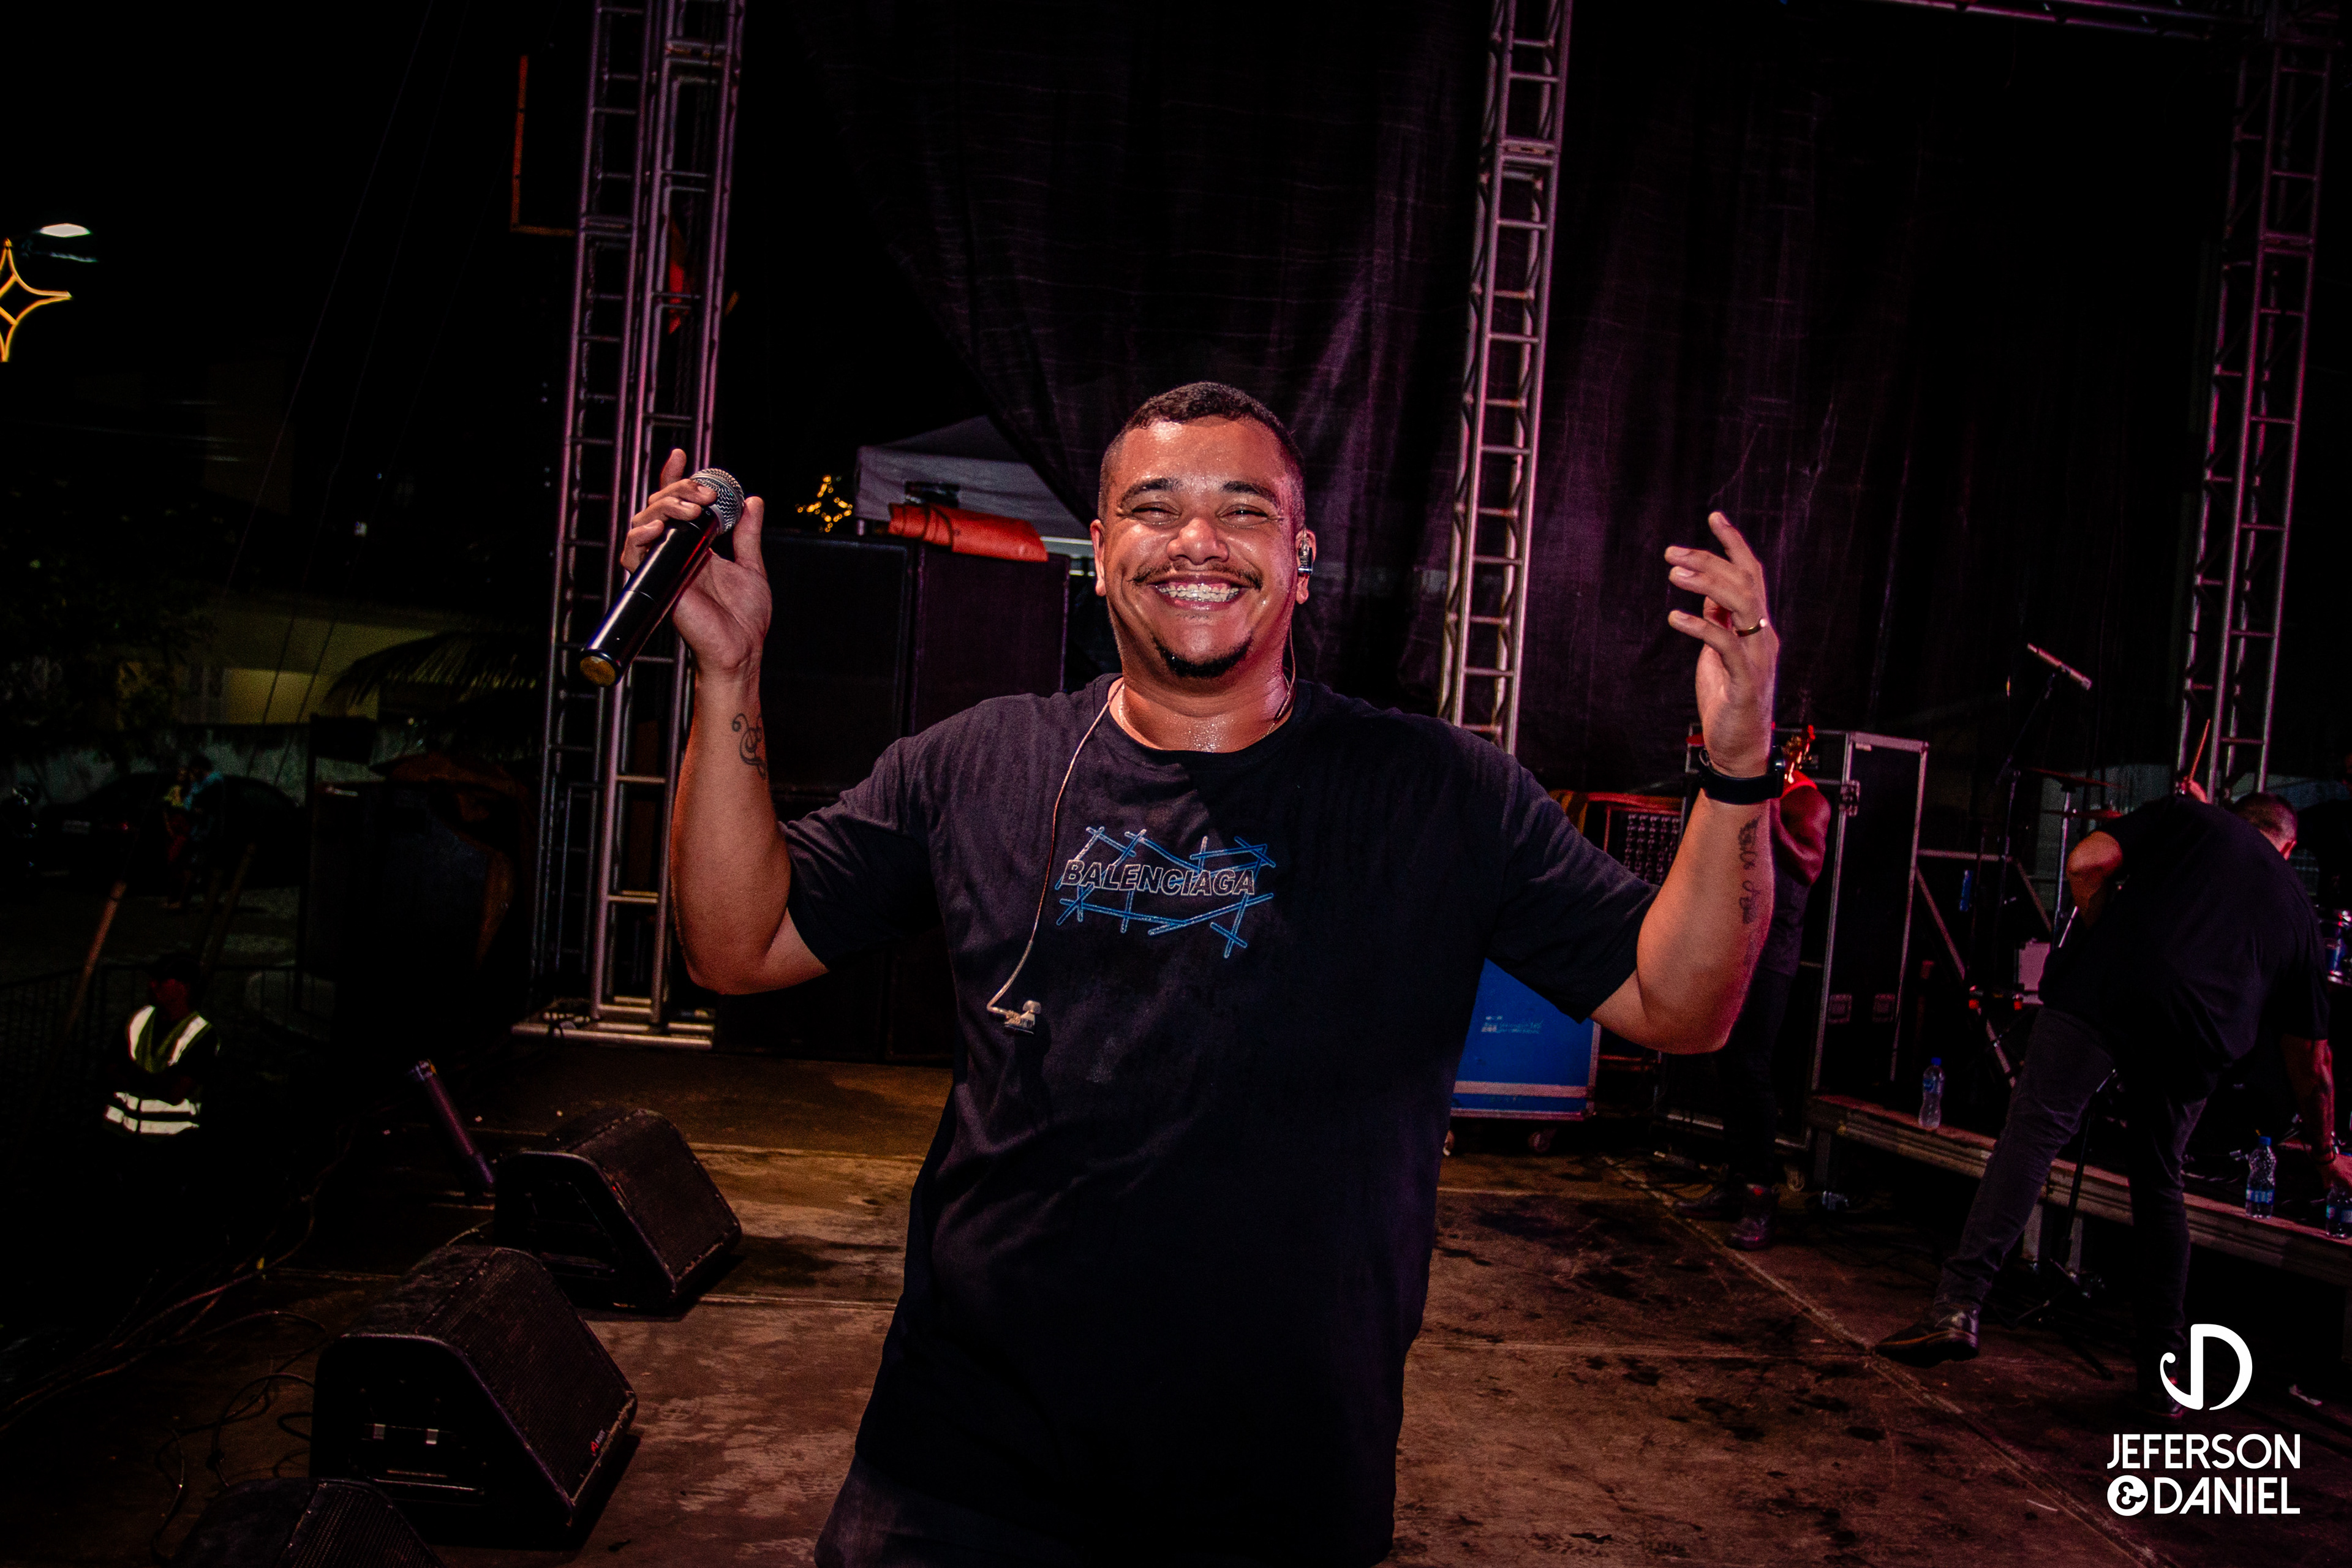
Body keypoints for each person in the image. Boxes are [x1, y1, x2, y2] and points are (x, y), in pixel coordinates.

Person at [635, 383, 1786, 1566]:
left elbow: (1681, 1006)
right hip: (963, 1467)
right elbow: (736, 946)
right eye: (1155, 508)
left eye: (1243, 510)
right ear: (1099, 554)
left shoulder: (1441, 792)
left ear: (1302, 560)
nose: (1197, 540)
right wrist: (729, 673)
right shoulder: (977, 762)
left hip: (1278, 1487)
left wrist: (1739, 766)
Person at [1874, 791, 2342, 1412]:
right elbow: (2313, 1063)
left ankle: (1958, 1306)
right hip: (2198, 1037)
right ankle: (2163, 1378)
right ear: (2288, 846)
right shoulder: (2299, 912)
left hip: (2105, 992)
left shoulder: (2191, 817)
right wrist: (2325, 1155)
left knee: (2033, 1136)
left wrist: (2107, 939)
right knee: (2159, 1184)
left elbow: (2086, 863)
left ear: (2235, 817)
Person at [1678, 737, 1830, 1250]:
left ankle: (1762, 1197)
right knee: (1725, 1062)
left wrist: (1768, 809)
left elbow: (1808, 865)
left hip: (1771, 958)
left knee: (1751, 1067)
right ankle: (1736, 1180)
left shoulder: (1806, 801)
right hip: (1733, 949)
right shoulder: (1757, 799)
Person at [102, 952, 218, 1141]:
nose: (152, 985)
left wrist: (131, 1072)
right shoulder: (137, 1020)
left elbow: (174, 1093)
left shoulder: (202, 1035)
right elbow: (108, 1072)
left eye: (161, 981)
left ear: (184, 988)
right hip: (120, 1134)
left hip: (170, 1141)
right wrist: (157, 1080)